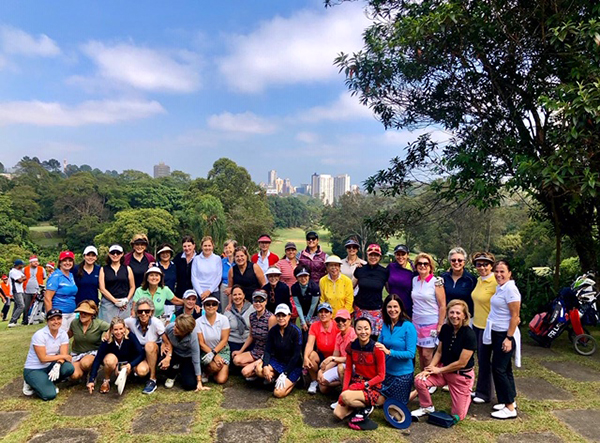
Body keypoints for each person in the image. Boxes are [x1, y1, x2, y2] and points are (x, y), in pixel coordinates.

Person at [411, 300, 477, 421]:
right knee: (420, 380)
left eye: (458, 313)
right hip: (443, 371)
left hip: (460, 376)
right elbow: (439, 352)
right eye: (451, 312)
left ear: (464, 316)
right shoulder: (446, 328)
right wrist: (429, 369)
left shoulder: (469, 335)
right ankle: (427, 406)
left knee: (458, 416)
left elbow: (461, 363)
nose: (454, 316)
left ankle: (466, 394)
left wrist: (439, 369)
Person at [333, 317, 386, 431]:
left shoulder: (377, 349)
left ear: (371, 330)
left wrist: (365, 385)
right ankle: (359, 407)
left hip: (372, 386)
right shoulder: (352, 346)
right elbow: (348, 370)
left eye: (366, 329)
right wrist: (344, 389)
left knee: (346, 397)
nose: (363, 332)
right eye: (359, 329)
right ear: (355, 330)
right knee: (338, 414)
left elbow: (381, 376)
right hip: (356, 382)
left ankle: (367, 405)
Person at [486, 260, 521, 419]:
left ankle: (509, 408)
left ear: (509, 273)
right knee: (505, 368)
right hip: (496, 331)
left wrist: (508, 338)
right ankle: (509, 400)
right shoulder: (501, 288)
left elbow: (515, 316)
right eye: (496, 271)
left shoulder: (511, 290)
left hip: (505, 334)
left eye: (502, 271)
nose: (499, 274)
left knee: (498, 369)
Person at [22, 308, 75, 401]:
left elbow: (64, 353)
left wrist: (58, 364)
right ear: (47, 321)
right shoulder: (40, 335)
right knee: (49, 395)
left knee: (69, 368)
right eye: (52, 319)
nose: (56, 322)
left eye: (58, 319)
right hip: (34, 368)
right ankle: (31, 382)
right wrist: (63, 357)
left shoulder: (63, 334)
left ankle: (46, 381)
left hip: (50, 365)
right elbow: (43, 358)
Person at [411, 252, 446, 390]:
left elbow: (443, 305)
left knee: (428, 354)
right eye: (420, 263)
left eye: (426, 263)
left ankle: (433, 379)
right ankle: (424, 377)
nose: (423, 266)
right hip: (416, 321)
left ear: (430, 266)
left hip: (431, 321)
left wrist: (440, 324)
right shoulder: (415, 280)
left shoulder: (436, 282)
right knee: (420, 353)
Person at [87, 317, 145, 395]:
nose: (118, 332)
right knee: (109, 360)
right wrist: (91, 380)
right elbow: (98, 359)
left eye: (121, 329)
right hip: (114, 362)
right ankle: (106, 381)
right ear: (111, 330)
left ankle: (131, 377)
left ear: (125, 329)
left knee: (125, 373)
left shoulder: (130, 337)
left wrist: (131, 365)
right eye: (115, 329)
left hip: (127, 364)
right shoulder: (107, 341)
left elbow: (141, 353)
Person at [376, 294, 417, 406]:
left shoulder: (408, 326)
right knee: (378, 402)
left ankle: (415, 392)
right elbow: (379, 343)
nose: (392, 310)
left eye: (395, 307)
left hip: (402, 374)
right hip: (386, 372)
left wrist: (389, 352)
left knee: (394, 405)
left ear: (400, 308)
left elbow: (411, 354)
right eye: (389, 307)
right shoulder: (385, 325)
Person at [256, 304, 303, 398]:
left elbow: (296, 355)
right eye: (278, 315)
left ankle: (294, 381)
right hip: (278, 361)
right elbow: (268, 350)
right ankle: (276, 377)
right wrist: (265, 365)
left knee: (278, 393)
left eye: (284, 315)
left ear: (289, 316)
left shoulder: (296, 332)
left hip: (292, 365)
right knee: (259, 369)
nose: (281, 318)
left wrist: (286, 373)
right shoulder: (273, 331)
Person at [470, 252, 498, 405]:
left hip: (489, 326)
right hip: (477, 324)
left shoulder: (495, 282)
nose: (482, 267)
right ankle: (480, 389)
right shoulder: (479, 281)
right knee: (480, 359)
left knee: (486, 360)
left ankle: (485, 393)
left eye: (485, 264)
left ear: (491, 265)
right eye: (478, 264)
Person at [232, 290, 277, 379]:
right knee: (236, 360)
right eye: (255, 301)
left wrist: (263, 358)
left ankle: (268, 374)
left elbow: (273, 341)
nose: (258, 303)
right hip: (256, 351)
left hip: (267, 353)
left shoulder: (271, 318)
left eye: (261, 301)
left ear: (266, 302)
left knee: (245, 372)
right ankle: (257, 370)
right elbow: (251, 336)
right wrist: (240, 351)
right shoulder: (252, 316)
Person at [159, 314, 210, 392]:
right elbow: (164, 334)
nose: (174, 328)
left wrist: (199, 381)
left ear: (186, 331)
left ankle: (181, 369)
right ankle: (172, 375)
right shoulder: (171, 327)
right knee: (161, 361)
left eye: (178, 328)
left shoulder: (192, 337)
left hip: (187, 357)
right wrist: (164, 343)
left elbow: (196, 359)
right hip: (174, 352)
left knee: (190, 385)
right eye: (175, 325)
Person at [125, 298, 165, 394]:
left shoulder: (156, 323)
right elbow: (117, 324)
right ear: (136, 313)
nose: (143, 314)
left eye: (147, 311)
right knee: (142, 371)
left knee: (149, 345)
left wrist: (168, 355)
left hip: (153, 350)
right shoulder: (131, 321)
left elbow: (167, 341)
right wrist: (109, 333)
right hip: (139, 352)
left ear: (151, 312)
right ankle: (133, 370)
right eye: (140, 311)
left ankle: (152, 379)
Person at [317, 308, 356, 399]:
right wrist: (321, 371)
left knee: (340, 367)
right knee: (322, 386)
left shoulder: (353, 335)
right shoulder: (338, 336)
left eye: (343, 320)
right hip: (343, 364)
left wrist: (332, 359)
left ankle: (344, 395)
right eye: (338, 320)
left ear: (349, 321)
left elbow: (351, 358)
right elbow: (335, 356)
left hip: (354, 366)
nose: (340, 323)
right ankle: (341, 384)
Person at [68, 300, 109, 382]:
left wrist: (108, 333)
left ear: (92, 313)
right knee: (74, 375)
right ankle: (83, 373)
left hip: (92, 352)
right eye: (81, 312)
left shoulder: (99, 324)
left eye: (85, 312)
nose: (82, 314)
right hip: (77, 353)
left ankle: (93, 372)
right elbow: (67, 336)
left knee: (85, 363)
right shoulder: (74, 323)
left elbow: (113, 327)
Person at [353, 244, 389, 336]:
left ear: (380, 257)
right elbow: (351, 286)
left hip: (376, 310)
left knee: (373, 338)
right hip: (360, 309)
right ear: (367, 255)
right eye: (371, 255)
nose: (373, 257)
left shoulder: (384, 272)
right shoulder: (360, 270)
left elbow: (389, 290)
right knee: (360, 337)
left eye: (376, 255)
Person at [304, 302, 339, 394]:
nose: (323, 314)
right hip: (321, 354)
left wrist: (323, 369)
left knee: (324, 390)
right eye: (321, 312)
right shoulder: (315, 325)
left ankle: (336, 383)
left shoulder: (337, 326)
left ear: (331, 314)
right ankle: (314, 381)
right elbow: (310, 344)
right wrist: (305, 358)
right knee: (310, 356)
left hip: (333, 358)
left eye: (326, 312)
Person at [196, 296, 231, 384]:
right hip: (206, 351)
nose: (211, 306)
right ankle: (206, 371)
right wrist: (213, 355)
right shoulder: (198, 322)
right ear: (204, 306)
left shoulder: (224, 319)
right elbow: (201, 343)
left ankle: (215, 370)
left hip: (222, 350)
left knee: (221, 380)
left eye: (214, 304)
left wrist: (214, 353)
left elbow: (224, 340)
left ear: (217, 306)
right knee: (216, 367)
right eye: (208, 304)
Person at [98, 244, 135, 322]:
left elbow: (132, 287)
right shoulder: (103, 269)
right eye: (113, 253)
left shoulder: (127, 269)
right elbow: (102, 288)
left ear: (122, 254)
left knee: (124, 328)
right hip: (108, 304)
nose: (115, 255)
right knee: (107, 328)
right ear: (109, 254)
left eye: (118, 253)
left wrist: (126, 300)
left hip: (125, 304)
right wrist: (115, 301)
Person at [44, 251, 78, 331]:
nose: (67, 263)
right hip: (59, 314)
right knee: (58, 340)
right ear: (60, 262)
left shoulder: (71, 275)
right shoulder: (55, 276)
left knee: (67, 339)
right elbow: (47, 298)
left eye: (70, 261)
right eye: (64, 260)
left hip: (72, 313)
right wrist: (51, 317)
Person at [441, 247, 477, 316]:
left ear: (464, 262)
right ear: (450, 261)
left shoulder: (471, 280)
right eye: (453, 260)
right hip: (447, 317)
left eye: (460, 260)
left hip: (464, 319)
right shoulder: (443, 277)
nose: (456, 262)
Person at [191, 236, 223, 306]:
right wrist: (200, 293)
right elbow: (194, 277)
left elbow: (218, 277)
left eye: (209, 245)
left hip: (213, 292)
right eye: (205, 246)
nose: (207, 248)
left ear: (212, 246)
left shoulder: (217, 259)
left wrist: (209, 291)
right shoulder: (196, 259)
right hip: (199, 293)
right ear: (202, 247)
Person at [387, 244, 416, 318]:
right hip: (392, 307)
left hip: (407, 307)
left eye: (403, 254)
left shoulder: (413, 269)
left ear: (407, 255)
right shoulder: (391, 267)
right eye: (398, 254)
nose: (400, 257)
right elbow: (385, 281)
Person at [224, 285, 255, 354]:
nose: (237, 297)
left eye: (239, 294)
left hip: (249, 342)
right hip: (232, 343)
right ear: (231, 297)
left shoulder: (252, 309)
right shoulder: (227, 312)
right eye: (235, 295)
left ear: (244, 295)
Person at [291, 266, 321, 333]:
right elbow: (298, 305)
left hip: (315, 314)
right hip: (303, 313)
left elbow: (313, 305)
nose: (303, 279)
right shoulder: (294, 288)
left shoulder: (315, 287)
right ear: (297, 277)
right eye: (300, 276)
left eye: (305, 276)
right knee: (305, 332)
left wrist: (308, 320)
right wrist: (303, 321)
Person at [23, 255, 46, 325]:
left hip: (38, 290)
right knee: (26, 306)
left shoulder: (42, 269)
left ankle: (37, 318)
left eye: (37, 261)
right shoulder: (25, 269)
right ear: (30, 262)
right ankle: (25, 320)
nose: (36, 263)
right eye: (34, 262)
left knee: (39, 306)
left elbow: (44, 277)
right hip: (27, 290)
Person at [156, 243, 177, 317]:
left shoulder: (174, 266)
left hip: (171, 301)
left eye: (167, 252)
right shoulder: (155, 267)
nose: (165, 255)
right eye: (162, 252)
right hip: (157, 301)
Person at [8, 259, 26, 328]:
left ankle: (14, 322)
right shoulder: (13, 272)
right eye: (21, 264)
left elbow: (25, 277)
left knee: (16, 306)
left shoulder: (18, 272)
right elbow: (19, 280)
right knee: (21, 306)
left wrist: (22, 278)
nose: (22, 266)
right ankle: (12, 320)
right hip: (16, 290)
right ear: (18, 265)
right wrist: (22, 278)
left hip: (20, 290)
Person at [220, 239, 237, 312]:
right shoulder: (222, 262)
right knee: (225, 309)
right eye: (226, 248)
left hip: (236, 287)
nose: (228, 250)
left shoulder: (238, 261)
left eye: (230, 248)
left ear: (234, 248)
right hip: (224, 287)